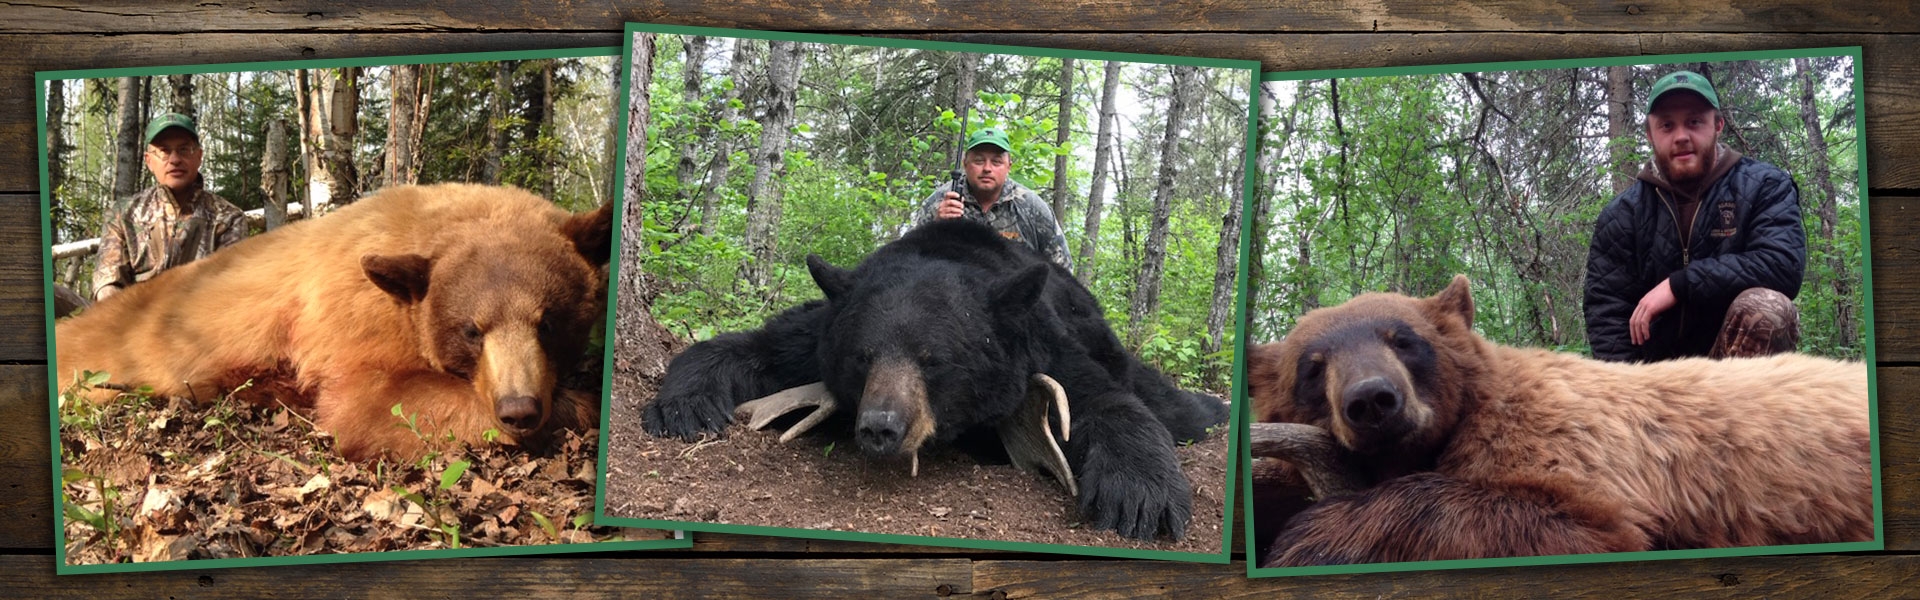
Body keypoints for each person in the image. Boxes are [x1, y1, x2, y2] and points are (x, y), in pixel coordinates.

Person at [1583, 70, 1806, 363]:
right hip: (1655, 381)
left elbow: (1782, 265)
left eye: (1694, 122)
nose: (1681, 137)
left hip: (1733, 372)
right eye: (1666, 125)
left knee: (1767, 308)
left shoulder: (1764, 185)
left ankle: (1740, 411)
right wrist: (1628, 396)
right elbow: (1606, 312)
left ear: (1718, 125)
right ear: (1650, 134)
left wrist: (1680, 285)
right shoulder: (1623, 214)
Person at [89, 113, 249, 302]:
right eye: (164, 151)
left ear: (199, 156)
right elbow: (107, 284)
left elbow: (229, 288)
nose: (174, 159)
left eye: (184, 149)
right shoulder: (124, 214)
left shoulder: (228, 218)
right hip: (132, 320)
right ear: (149, 161)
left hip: (200, 320)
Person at [914, 127, 1075, 271]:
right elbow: (909, 260)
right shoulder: (940, 203)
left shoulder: (1031, 207)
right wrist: (935, 228)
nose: (987, 169)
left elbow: (1063, 269)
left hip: (1016, 297)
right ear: (965, 164)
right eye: (979, 161)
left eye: (996, 162)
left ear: (1008, 166)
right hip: (955, 297)